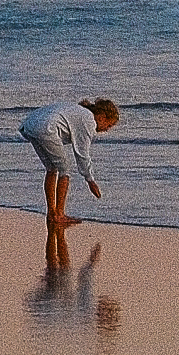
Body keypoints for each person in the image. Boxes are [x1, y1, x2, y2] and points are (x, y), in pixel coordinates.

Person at [21, 96, 118, 255]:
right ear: (102, 116)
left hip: (30, 126)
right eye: (109, 125)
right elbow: (82, 153)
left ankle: (52, 212)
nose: (107, 129)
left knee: (52, 168)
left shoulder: (78, 112)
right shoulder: (89, 121)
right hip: (46, 128)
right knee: (65, 169)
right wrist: (90, 179)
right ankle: (59, 214)